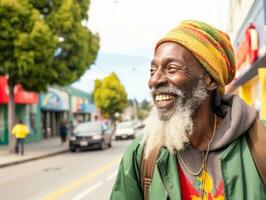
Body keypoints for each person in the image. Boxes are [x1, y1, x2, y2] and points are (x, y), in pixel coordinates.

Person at [110, 20, 266, 199]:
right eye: (153, 70)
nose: (154, 80)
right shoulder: (141, 155)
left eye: (171, 68)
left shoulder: (261, 142)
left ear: (210, 80)